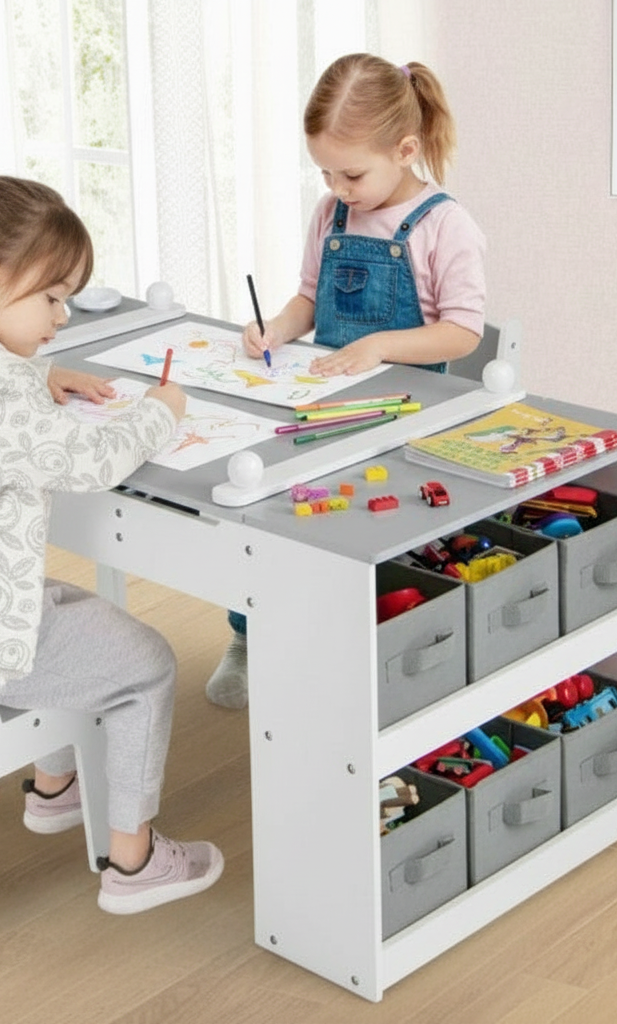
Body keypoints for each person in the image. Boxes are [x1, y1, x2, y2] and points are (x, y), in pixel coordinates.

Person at [0, 175, 223, 913]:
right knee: (148, 664)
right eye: (52, 297)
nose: (62, 316)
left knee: (70, 606)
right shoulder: (2, 392)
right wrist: (160, 411)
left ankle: (54, 788)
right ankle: (134, 865)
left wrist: (43, 377)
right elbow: (90, 462)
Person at [206, 53, 486, 710]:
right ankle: (250, 635)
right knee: (267, 512)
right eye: (324, 171)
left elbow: (464, 332)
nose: (337, 186)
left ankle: (375, 643)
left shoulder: (447, 225)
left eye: (351, 173)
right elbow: (308, 297)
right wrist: (276, 328)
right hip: (323, 404)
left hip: (403, 412)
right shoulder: (331, 213)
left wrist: (381, 345)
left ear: (406, 149)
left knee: (368, 531)